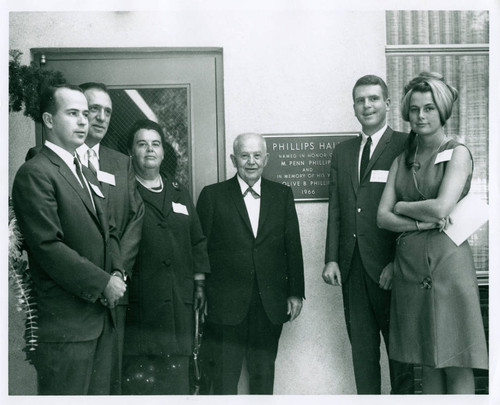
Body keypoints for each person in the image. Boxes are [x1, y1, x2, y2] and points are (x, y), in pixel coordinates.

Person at [377, 72, 488, 394]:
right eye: (414, 109)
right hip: (410, 268)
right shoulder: (403, 158)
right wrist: (417, 221)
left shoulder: (458, 152)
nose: (420, 115)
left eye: (428, 108)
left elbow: (442, 208)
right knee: (425, 360)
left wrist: (403, 206)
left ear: (442, 111)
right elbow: (382, 217)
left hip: (447, 265)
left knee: (455, 358)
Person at [12, 84, 127, 395]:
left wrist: (116, 271)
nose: (83, 122)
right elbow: (47, 246)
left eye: (85, 115)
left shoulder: (86, 171)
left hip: (100, 321)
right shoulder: (36, 173)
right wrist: (103, 282)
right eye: (73, 113)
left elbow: (110, 231)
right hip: (67, 328)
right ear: (49, 120)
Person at [322, 75, 414, 394]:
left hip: (391, 270)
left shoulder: (406, 144)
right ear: (354, 107)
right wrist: (331, 258)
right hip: (352, 269)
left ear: (387, 103)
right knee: (363, 356)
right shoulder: (343, 152)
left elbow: (411, 205)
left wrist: (397, 264)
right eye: (360, 100)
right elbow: (336, 209)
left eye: (374, 98)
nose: (367, 105)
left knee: (401, 357)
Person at [196, 133, 305, 395]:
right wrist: (200, 289)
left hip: (269, 304)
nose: (251, 161)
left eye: (257, 155)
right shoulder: (212, 195)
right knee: (224, 377)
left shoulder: (282, 194)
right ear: (234, 160)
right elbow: (199, 247)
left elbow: (293, 245)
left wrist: (295, 292)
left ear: (266, 159)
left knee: (263, 375)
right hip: (225, 304)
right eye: (245, 156)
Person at [122, 119, 210, 395]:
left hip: (179, 305)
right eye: (142, 144)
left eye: (155, 144)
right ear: (131, 151)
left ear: (163, 152)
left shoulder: (178, 192)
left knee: (176, 386)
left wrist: (198, 283)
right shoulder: (123, 193)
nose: (149, 149)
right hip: (141, 307)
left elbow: (197, 240)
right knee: (142, 386)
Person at [75, 82, 145, 394]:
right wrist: (97, 278)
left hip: (116, 294)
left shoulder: (122, 162)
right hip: (76, 293)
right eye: (94, 110)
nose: (101, 117)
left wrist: (117, 272)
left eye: (107, 112)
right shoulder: (54, 160)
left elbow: (135, 217)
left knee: (110, 384)